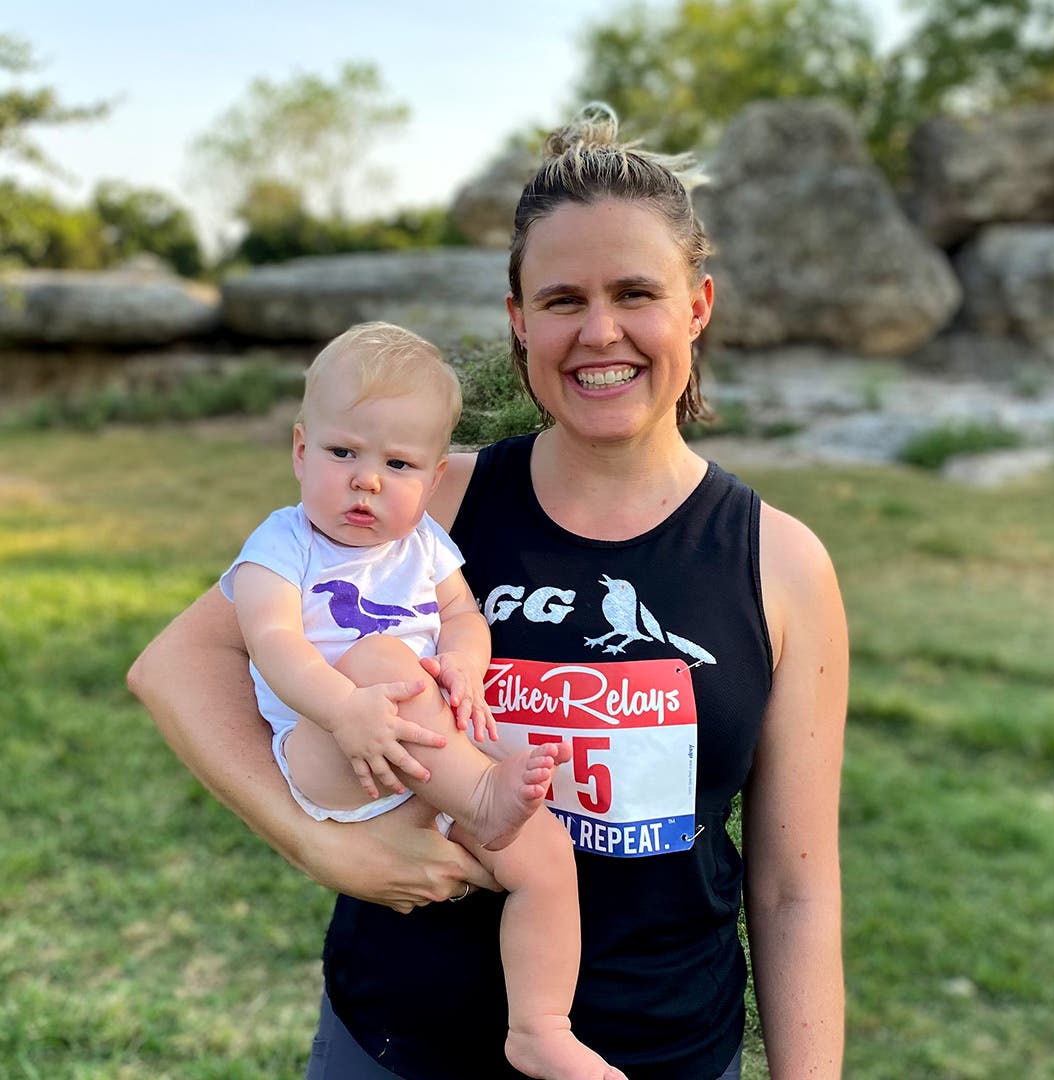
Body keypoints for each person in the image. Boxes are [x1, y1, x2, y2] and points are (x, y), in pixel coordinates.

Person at [128, 103, 847, 1080]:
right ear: (518, 319)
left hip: (661, 1052)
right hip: (398, 1044)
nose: (600, 333)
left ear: (698, 306)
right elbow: (180, 663)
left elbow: (795, 890)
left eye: (636, 292)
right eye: (561, 300)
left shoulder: (779, 561)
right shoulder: (428, 501)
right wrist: (316, 844)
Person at [217, 320, 624, 1080]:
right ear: (301, 452)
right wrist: (344, 710)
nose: (366, 480)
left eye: (397, 463)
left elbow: (466, 617)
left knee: (545, 854)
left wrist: (466, 668)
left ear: (433, 480)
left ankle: (540, 1025)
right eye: (344, 453)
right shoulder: (282, 545)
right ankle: (480, 795)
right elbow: (275, 645)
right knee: (381, 657)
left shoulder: (424, 547)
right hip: (334, 756)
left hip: (429, 765)